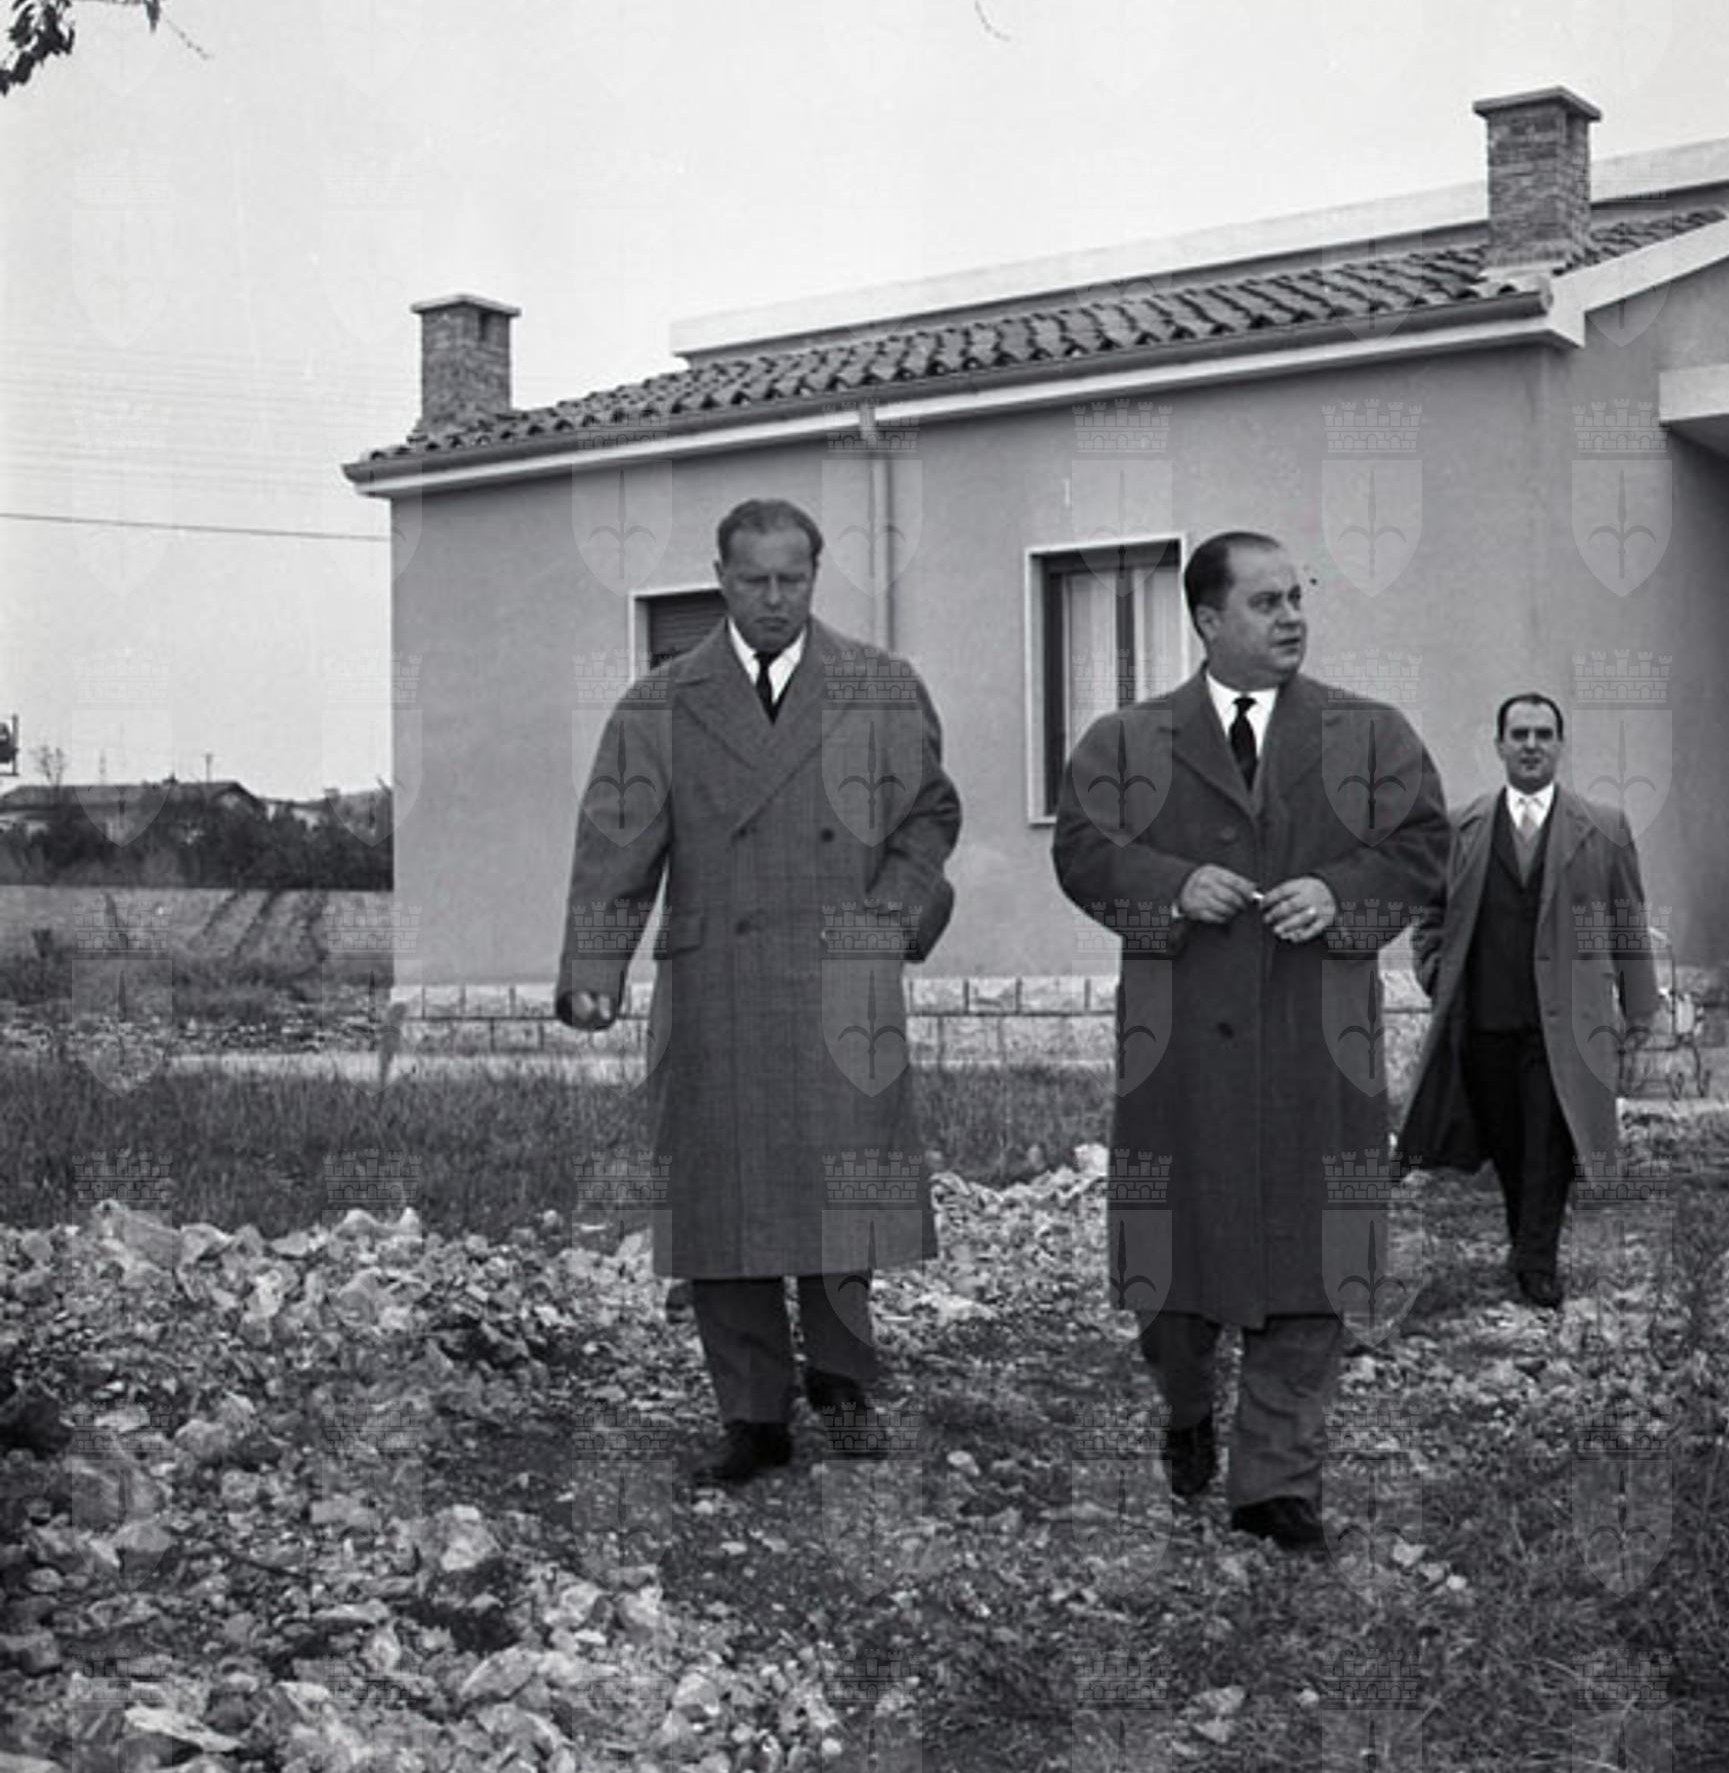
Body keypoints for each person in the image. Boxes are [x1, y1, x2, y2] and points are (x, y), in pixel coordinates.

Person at [1052, 531, 1449, 1554]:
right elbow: (1083, 850)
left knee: (1314, 1262)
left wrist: (1343, 894)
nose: (1291, 617)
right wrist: (1170, 885)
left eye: (1296, 598)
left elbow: (1422, 847)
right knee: (1172, 1278)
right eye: (1266, 602)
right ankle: (1185, 1407)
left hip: (1316, 1047)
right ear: (1206, 620)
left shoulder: (1371, 734)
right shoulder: (1125, 741)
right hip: (1179, 1051)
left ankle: (1275, 1484)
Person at [556, 498, 961, 1487]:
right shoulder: (661, 703)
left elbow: (929, 813)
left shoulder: (880, 686)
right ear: (720, 579)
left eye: (793, 579)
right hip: (718, 983)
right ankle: (751, 1414)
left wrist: (894, 913)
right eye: (754, 580)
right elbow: (615, 844)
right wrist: (593, 969)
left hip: (840, 975)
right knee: (720, 1198)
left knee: (841, 1187)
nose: (775, 599)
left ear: (815, 575)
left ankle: (842, 1384)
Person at [1397, 693, 1657, 1309]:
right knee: (1508, 1142)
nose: (1532, 746)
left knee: (1550, 1139)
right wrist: (1436, 973)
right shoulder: (1462, 828)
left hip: (1567, 1024)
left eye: (1543, 734)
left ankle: (1537, 1263)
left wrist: (1640, 1013)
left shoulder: (1603, 826)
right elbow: (1429, 914)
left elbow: (1627, 923)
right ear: (1499, 746)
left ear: (1560, 745)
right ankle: (1526, 1245)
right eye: (1520, 735)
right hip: (1486, 1018)